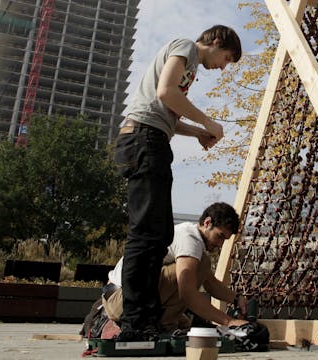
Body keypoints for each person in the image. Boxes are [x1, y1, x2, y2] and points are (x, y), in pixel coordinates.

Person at [113, 25, 242, 340]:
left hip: (151, 137)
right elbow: (166, 93)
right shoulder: (186, 47)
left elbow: (167, 112)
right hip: (144, 141)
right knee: (146, 235)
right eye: (226, 58)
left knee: (158, 234)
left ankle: (144, 320)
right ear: (215, 42)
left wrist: (198, 132)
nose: (223, 67)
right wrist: (208, 121)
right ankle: (135, 323)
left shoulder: (191, 65)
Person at [101, 203, 249, 336]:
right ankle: (163, 327)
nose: (220, 244)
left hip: (120, 298)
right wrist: (228, 322)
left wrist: (236, 299)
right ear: (207, 222)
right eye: (220, 236)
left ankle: (161, 324)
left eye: (225, 240)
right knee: (202, 265)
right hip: (122, 301)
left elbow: (210, 283)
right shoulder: (190, 240)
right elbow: (188, 294)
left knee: (187, 321)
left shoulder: (189, 237)